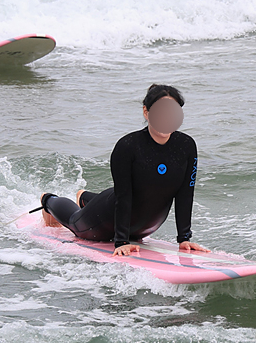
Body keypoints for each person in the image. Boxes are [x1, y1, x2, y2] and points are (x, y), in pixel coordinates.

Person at [38, 84, 208, 257]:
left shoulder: (186, 146)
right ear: (146, 112)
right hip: (105, 222)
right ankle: (48, 200)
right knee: (74, 222)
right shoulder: (128, 146)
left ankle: (84, 197)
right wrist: (121, 241)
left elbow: (185, 194)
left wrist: (184, 238)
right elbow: (124, 196)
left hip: (145, 226)